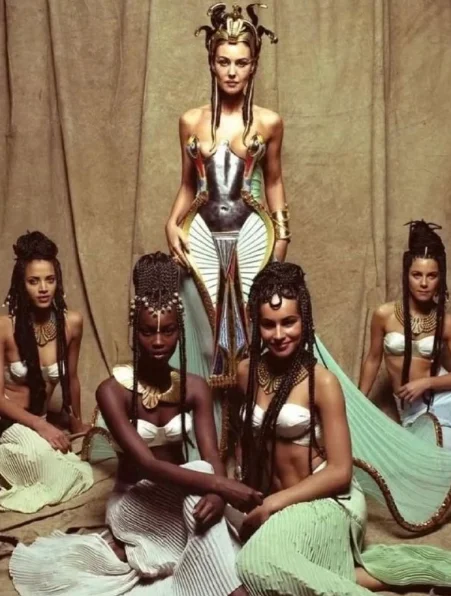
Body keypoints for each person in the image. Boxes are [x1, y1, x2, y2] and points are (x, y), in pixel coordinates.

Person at [10, 252, 262, 596]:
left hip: (184, 492)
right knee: (206, 500)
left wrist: (217, 494)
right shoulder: (111, 391)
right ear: (135, 331)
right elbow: (146, 463)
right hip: (134, 499)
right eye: (147, 331)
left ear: (179, 331)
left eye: (168, 331)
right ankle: (233, 591)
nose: (158, 341)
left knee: (203, 488)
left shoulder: (195, 387)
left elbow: (212, 456)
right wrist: (223, 486)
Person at [234, 261, 451, 595]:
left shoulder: (322, 382)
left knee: (255, 565)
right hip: (279, 506)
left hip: (329, 501)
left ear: (305, 320)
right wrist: (245, 492)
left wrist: (273, 504)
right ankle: (404, 573)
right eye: (268, 324)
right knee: (293, 571)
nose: (278, 335)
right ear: (256, 324)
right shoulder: (245, 373)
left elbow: (340, 471)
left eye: (289, 322)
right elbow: (245, 441)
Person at [166, 3, 291, 394]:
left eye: (241, 62)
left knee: (256, 336)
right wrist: (170, 223)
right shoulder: (190, 120)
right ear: (212, 63)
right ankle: (210, 427)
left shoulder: (269, 122)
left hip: (254, 238)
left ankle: (253, 426)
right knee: (206, 339)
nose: (232, 71)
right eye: (224, 62)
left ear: (253, 66)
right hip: (200, 237)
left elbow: (274, 182)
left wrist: (282, 238)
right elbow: (188, 186)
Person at [0, 231, 92, 513]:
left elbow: (71, 378)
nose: (43, 288)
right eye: (34, 281)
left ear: (58, 281)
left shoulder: (72, 323)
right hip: (7, 423)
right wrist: (40, 426)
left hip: (39, 421)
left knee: (79, 467)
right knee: (50, 469)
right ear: (21, 283)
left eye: (49, 280)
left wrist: (77, 423)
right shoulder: (4, 327)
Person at [359, 220, 451, 448]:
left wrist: (426, 383)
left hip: (442, 400)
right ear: (406, 275)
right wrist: (359, 403)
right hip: (410, 409)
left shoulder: (446, 322)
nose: (424, 283)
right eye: (416, 274)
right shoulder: (384, 315)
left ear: (440, 278)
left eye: (432, 276)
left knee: (441, 454)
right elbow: (373, 359)